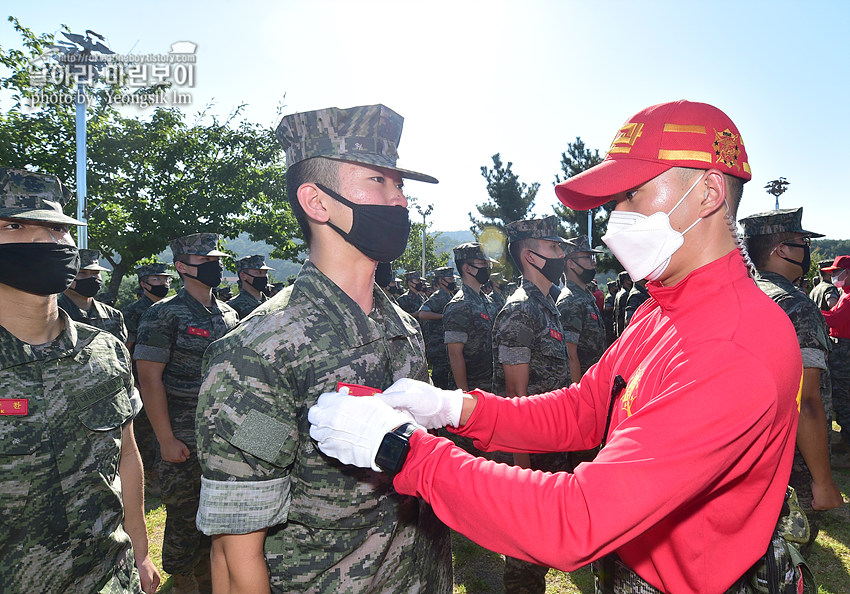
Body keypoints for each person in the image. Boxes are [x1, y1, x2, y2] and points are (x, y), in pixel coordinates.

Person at [308, 100, 804, 593]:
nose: (616, 218)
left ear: (709, 192)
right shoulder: (667, 306)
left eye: (631, 194)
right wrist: (457, 408)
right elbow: (585, 410)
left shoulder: (733, 342)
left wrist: (405, 452)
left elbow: (577, 518)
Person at [195, 104, 452, 593]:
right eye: (379, 181)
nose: (399, 201)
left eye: (401, 186)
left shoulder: (402, 327)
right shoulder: (258, 350)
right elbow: (235, 552)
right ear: (317, 202)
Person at [0, 168, 159, 594]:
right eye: (14, 226)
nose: (44, 241)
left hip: (109, 580)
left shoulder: (105, 351)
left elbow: (126, 454)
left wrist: (141, 553)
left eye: (56, 228)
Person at [134, 233, 239, 593]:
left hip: (225, 425)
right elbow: (149, 379)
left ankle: (213, 568)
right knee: (183, 509)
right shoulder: (162, 314)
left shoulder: (228, 312)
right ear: (182, 267)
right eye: (206, 261)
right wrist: (165, 439)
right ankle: (183, 577)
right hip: (182, 424)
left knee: (223, 503)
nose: (215, 266)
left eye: (217, 260)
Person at [739, 207, 843, 548]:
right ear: (782, 249)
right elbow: (807, 401)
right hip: (790, 465)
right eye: (802, 242)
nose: (807, 250)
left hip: (749, 455)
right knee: (785, 565)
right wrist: (823, 481)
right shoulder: (795, 305)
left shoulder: (743, 294)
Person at [492, 216, 571, 592]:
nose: (562, 255)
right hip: (529, 454)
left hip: (548, 446)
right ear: (531, 257)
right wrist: (524, 472)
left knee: (542, 545)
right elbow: (514, 395)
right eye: (555, 248)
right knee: (525, 553)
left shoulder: (546, 305)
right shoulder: (521, 309)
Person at [123, 261, 175, 496]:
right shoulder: (134, 311)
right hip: (141, 382)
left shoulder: (171, 308)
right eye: (157, 280)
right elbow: (126, 348)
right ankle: (149, 481)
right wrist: (132, 380)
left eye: (166, 280)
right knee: (144, 433)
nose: (163, 284)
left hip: (168, 380)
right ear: (144, 283)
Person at [444, 242, 497, 392]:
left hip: (491, 387)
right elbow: (455, 354)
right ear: (467, 268)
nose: (487, 269)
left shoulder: (487, 301)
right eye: (482, 264)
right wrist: (465, 394)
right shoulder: (459, 306)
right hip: (473, 389)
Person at [556, 236, 606, 382]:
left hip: (594, 381)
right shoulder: (570, 301)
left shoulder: (585, 296)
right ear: (571, 263)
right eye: (587, 257)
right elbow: (570, 355)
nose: (593, 262)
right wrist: (577, 396)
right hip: (584, 386)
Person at [57, 248, 128, 342]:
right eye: (82, 272)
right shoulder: (53, 315)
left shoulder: (113, 316)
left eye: (96, 273)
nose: (91, 278)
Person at [820, 255, 850, 465]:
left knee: (842, 397)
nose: (834, 277)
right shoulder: (844, 294)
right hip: (840, 348)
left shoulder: (848, 298)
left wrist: (812, 310)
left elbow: (835, 319)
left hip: (844, 351)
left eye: (838, 273)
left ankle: (847, 447)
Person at [418, 266, 458, 389]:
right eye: (450, 278)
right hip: (439, 345)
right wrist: (442, 316)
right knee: (440, 381)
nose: (453, 281)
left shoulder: (449, 295)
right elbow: (422, 313)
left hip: (445, 345)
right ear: (441, 280)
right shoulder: (439, 296)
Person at [228, 254, 274, 319]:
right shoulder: (233, 307)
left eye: (265, 272)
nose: (264, 276)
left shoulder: (273, 303)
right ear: (243, 276)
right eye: (259, 272)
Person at [612, 270, 632, 337]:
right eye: (629, 278)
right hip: (624, 329)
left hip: (619, 327)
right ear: (625, 280)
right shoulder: (625, 294)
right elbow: (625, 314)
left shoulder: (619, 293)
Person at [603, 280, 618, 345]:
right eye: (615, 287)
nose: (617, 288)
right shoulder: (609, 297)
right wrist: (616, 307)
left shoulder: (614, 295)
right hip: (609, 321)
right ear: (612, 288)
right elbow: (607, 308)